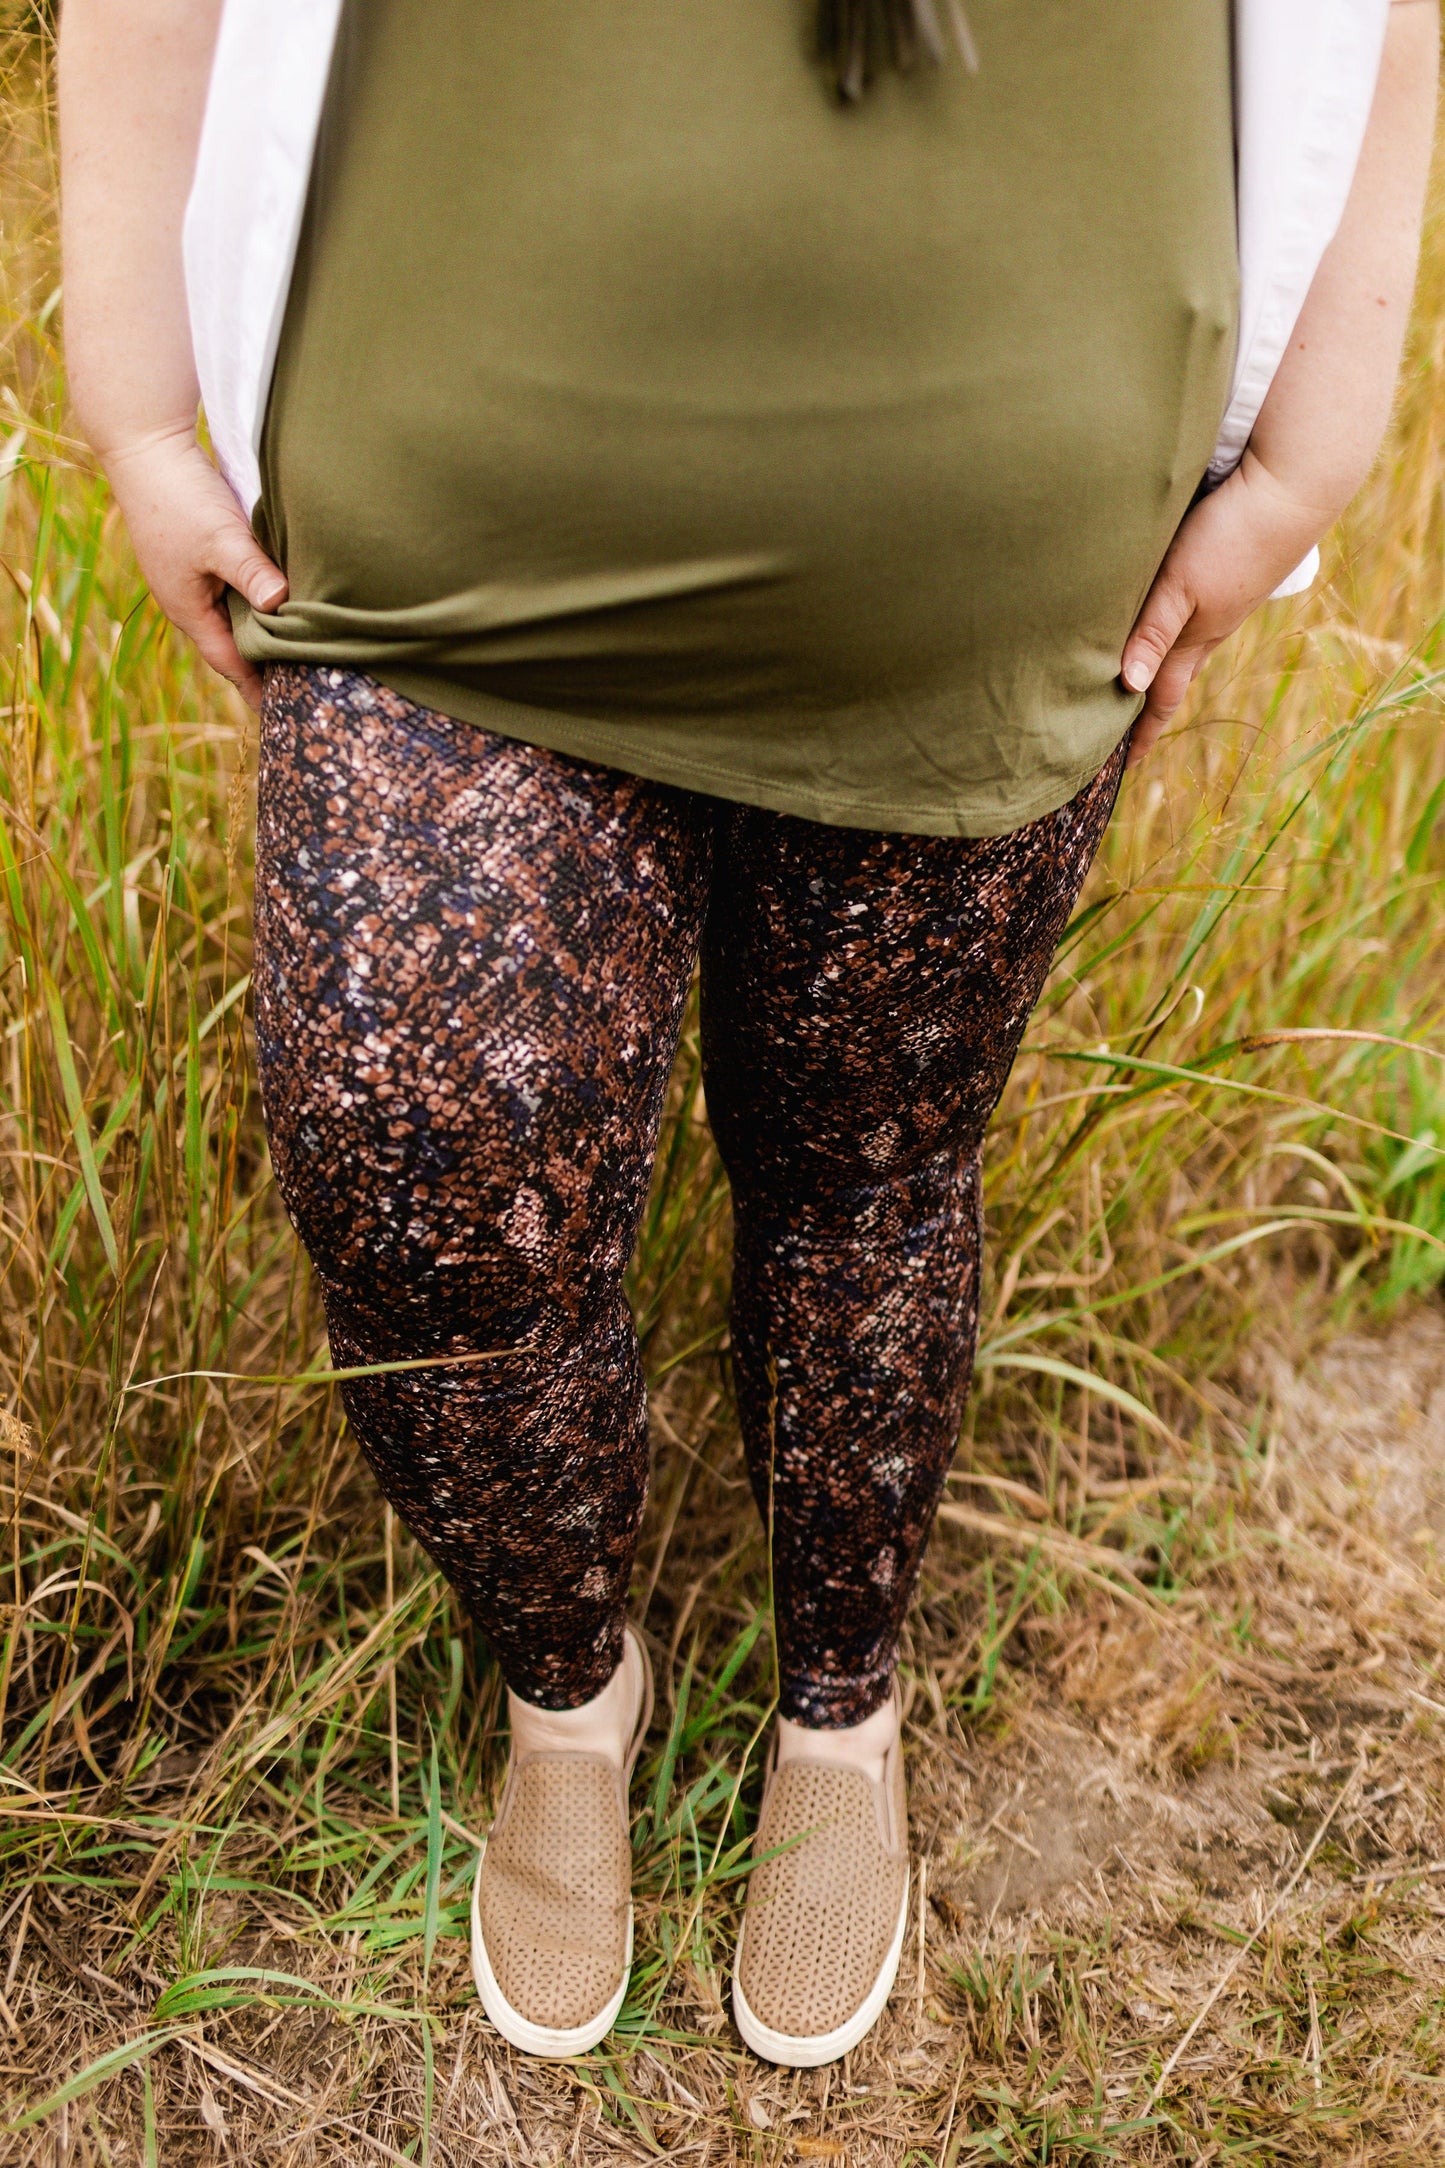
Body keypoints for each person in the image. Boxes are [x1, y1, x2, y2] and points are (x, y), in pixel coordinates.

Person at [59, 0, 1437, 2069]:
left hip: (993, 560)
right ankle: (567, 1684)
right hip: (451, 516)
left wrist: (1325, 422)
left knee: (871, 1178)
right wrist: (139, 397)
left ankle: (842, 1710)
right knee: (426, 1183)